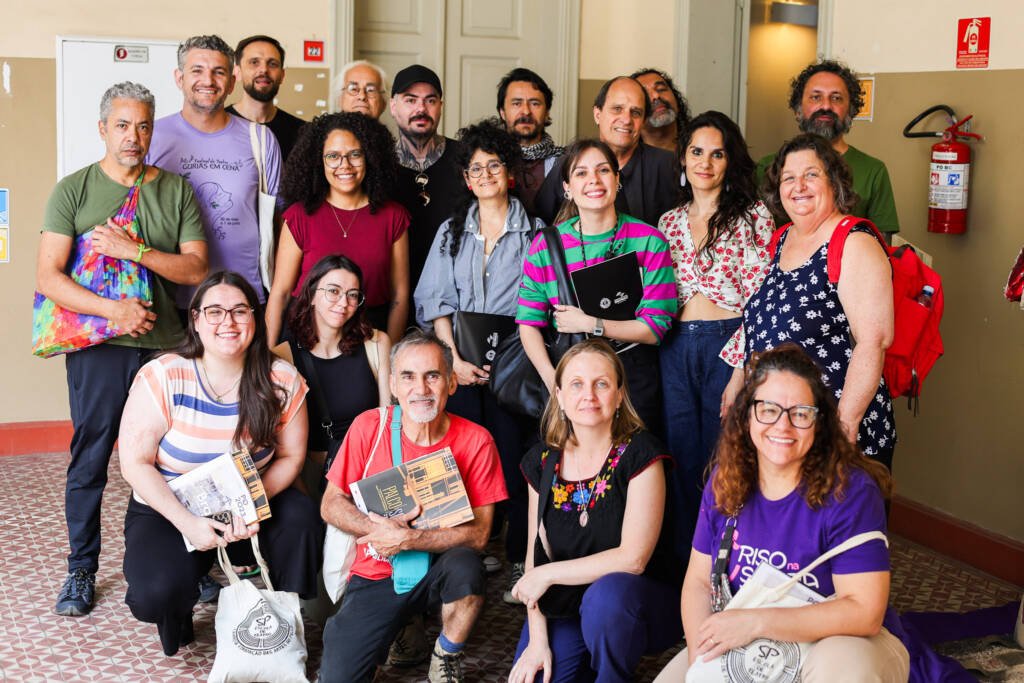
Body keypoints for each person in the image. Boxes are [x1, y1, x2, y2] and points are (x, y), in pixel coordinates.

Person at [36, 81, 208, 617]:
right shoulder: (74, 190)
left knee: (179, 457)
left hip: (164, 346)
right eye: (122, 125)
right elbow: (48, 276)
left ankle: (188, 561)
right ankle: (81, 568)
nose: (133, 137)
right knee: (91, 455)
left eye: (143, 126)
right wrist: (115, 312)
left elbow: (196, 268)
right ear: (102, 128)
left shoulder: (175, 190)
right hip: (100, 347)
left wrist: (135, 249)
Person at [653, 344, 909, 682]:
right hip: (747, 640)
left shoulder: (851, 492)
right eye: (768, 409)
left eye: (800, 413)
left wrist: (756, 622)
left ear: (820, 422)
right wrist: (705, 661)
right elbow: (699, 583)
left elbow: (864, 612)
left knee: (841, 666)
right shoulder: (726, 480)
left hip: (838, 642)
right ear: (747, 415)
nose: (783, 426)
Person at [118, 271, 321, 656]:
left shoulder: (281, 378)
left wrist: (252, 502)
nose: (227, 322)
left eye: (239, 311)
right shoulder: (163, 374)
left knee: (301, 521)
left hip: (251, 502)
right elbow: (135, 463)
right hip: (170, 509)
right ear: (195, 319)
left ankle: (282, 618)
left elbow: (292, 455)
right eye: (214, 312)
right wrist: (190, 525)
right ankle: (180, 603)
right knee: (153, 595)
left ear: (254, 318)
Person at [319, 330, 508, 683]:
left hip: (443, 566)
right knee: (338, 677)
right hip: (378, 570)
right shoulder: (368, 427)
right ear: (392, 384)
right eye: (408, 376)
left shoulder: (477, 441)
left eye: (432, 376)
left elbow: (481, 535)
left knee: (468, 569)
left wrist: (408, 539)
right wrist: (379, 531)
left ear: (452, 383)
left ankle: (446, 654)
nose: (420, 389)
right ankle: (404, 626)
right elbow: (330, 504)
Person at [415, 119, 544, 604]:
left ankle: (515, 553)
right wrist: (453, 360)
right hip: (460, 359)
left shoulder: (536, 232)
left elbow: (542, 301)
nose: (486, 174)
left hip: (516, 357)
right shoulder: (452, 232)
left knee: (512, 454)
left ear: (509, 173)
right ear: (466, 179)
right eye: (476, 168)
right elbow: (435, 299)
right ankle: (469, 548)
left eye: (495, 165)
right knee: (461, 456)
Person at [508, 339, 681, 683]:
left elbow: (633, 559)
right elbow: (534, 562)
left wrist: (548, 575)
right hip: (567, 606)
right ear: (558, 395)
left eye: (601, 383)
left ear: (619, 395)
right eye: (576, 384)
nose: (589, 394)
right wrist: (538, 641)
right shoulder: (541, 462)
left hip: (636, 602)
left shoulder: (641, 454)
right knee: (536, 676)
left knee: (607, 599)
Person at [657, 111, 774, 555]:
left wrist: (741, 371)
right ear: (683, 160)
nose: (705, 162)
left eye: (717, 153)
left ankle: (727, 565)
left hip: (728, 344)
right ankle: (687, 570)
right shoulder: (667, 224)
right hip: (673, 347)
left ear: (731, 161)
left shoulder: (752, 216)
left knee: (726, 459)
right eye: (696, 152)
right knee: (683, 460)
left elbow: (761, 301)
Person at [744, 133, 895, 468]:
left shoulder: (853, 241)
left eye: (811, 175)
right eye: (788, 178)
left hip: (833, 427)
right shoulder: (780, 240)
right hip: (782, 426)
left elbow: (874, 340)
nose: (799, 186)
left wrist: (845, 425)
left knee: (838, 520)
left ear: (835, 181)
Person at [516, 139, 677, 435]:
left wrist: (592, 323)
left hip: (632, 377)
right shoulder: (546, 245)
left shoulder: (649, 241)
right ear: (567, 187)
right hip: (570, 376)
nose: (594, 180)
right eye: (581, 173)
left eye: (603, 170)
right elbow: (528, 323)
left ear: (617, 180)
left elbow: (656, 328)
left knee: (632, 468)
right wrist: (555, 382)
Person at [147, 34, 283, 308]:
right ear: (179, 78)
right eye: (197, 70)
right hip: (169, 303)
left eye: (218, 72)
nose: (208, 81)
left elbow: (281, 221)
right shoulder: (152, 136)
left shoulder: (261, 139)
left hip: (242, 301)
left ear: (232, 82)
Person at [266, 112, 410, 344]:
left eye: (355, 155)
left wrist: (389, 355)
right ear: (318, 161)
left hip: (370, 337)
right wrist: (270, 352)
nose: (344, 165)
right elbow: (281, 293)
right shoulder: (299, 216)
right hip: (306, 336)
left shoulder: (393, 217)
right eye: (333, 156)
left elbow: (399, 297)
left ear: (370, 157)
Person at [273, 254, 391, 492]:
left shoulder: (376, 344)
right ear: (313, 294)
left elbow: (388, 422)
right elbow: (280, 446)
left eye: (353, 295)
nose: (343, 302)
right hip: (310, 475)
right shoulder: (282, 356)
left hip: (367, 471)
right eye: (334, 291)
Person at [756, 60, 900, 235]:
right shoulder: (767, 167)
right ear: (798, 108)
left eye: (836, 98)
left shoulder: (873, 171)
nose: (825, 106)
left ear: (851, 110)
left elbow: (883, 246)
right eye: (816, 97)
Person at [534, 76, 677, 228]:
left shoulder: (668, 165)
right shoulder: (571, 162)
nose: (626, 119)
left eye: (635, 112)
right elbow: (541, 222)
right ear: (597, 114)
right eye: (617, 109)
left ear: (642, 121)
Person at [389, 64, 466, 290]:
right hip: (395, 290)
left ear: (440, 107)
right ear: (393, 106)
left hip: (454, 290)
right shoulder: (378, 164)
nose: (421, 109)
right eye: (410, 100)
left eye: (430, 100)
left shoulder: (466, 158)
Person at [226, 34, 307, 161]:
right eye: (254, 62)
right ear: (238, 72)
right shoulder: (217, 126)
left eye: (272, 64)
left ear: (282, 75)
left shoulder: (302, 133)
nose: (263, 70)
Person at [496, 67, 564, 216]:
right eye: (516, 103)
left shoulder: (566, 162)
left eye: (535, 103)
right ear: (502, 112)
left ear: (546, 113)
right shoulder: (487, 163)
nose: (526, 111)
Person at [630, 67, 691, 154]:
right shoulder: (626, 162)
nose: (656, 95)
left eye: (661, 89)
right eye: (645, 94)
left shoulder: (700, 148)